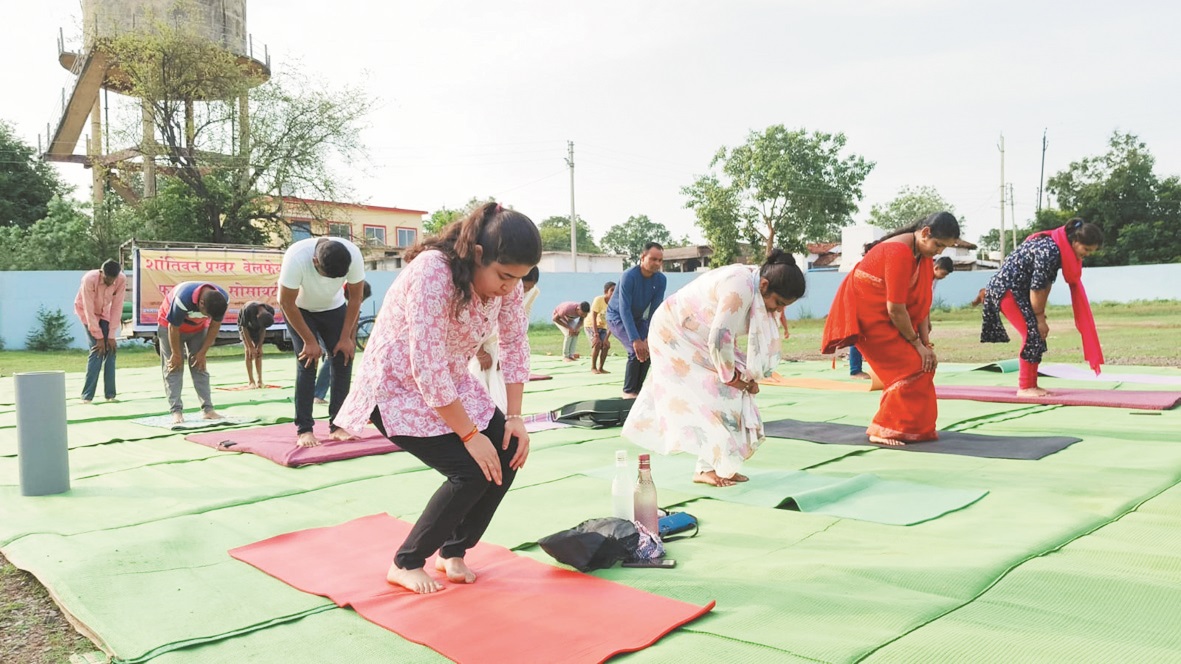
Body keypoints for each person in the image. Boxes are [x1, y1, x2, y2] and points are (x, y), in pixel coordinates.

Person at [335, 202, 541, 594]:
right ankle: (406, 562)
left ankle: (453, 551)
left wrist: (515, 417)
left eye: (519, 278)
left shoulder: (507, 283)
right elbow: (424, 364)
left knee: (507, 455)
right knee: (470, 471)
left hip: (451, 381)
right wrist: (468, 435)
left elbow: (515, 343)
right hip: (396, 389)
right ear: (478, 254)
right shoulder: (433, 271)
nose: (510, 287)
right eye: (503, 276)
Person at [623, 250, 805, 487]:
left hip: (699, 333)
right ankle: (706, 469)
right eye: (778, 303)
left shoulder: (753, 284)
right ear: (764, 285)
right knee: (719, 393)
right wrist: (731, 377)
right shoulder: (740, 287)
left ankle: (720, 466)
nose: (777, 311)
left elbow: (727, 338)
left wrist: (745, 376)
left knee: (731, 394)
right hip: (675, 332)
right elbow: (720, 338)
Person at [821, 212, 961, 446]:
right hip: (870, 317)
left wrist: (926, 345)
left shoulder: (922, 256)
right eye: (938, 245)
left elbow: (922, 304)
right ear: (925, 233)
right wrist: (917, 344)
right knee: (909, 367)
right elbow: (896, 308)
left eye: (944, 248)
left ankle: (912, 429)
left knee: (925, 364)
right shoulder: (898, 252)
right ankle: (883, 428)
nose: (939, 253)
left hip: (892, 317)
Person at [980, 218, 1104, 397]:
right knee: (1032, 333)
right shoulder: (1050, 250)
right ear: (1075, 242)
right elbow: (1037, 287)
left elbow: (1045, 284)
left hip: (1017, 290)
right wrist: (1038, 318)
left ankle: (1031, 384)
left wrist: (1041, 317)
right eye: (1086, 250)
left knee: (1035, 334)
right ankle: (1025, 387)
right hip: (1006, 290)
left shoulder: (1057, 247)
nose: (1087, 255)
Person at [278, 236, 366, 447]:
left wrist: (346, 338)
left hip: (333, 309)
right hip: (298, 309)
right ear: (315, 262)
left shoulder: (353, 255)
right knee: (308, 361)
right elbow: (286, 302)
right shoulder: (297, 257)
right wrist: (309, 341)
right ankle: (305, 429)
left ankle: (338, 426)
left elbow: (354, 299)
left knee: (343, 357)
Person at [849, 255, 953, 381]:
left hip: (901, 311)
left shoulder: (931, 280)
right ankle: (855, 370)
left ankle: (893, 369)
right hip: (877, 306)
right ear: (936, 268)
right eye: (944, 273)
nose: (944, 277)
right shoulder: (914, 272)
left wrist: (926, 321)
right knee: (863, 335)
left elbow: (924, 301)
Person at [157, 281, 229, 423]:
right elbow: (173, 327)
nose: (208, 317)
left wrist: (202, 352)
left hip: (197, 329)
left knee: (199, 365)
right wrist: (176, 354)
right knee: (174, 366)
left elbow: (214, 326)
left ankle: (208, 410)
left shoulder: (222, 299)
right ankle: (176, 411)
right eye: (207, 314)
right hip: (169, 327)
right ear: (201, 303)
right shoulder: (182, 298)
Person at [606, 242, 666, 398]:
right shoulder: (629, 276)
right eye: (653, 259)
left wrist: (647, 338)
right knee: (635, 350)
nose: (657, 264)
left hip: (638, 319)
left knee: (649, 349)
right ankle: (628, 392)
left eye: (660, 260)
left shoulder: (661, 280)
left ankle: (638, 391)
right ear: (642, 257)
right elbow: (624, 309)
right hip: (617, 317)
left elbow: (655, 311)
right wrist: (636, 339)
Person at [74, 259, 126, 404]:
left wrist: (111, 335)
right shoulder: (89, 279)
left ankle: (110, 395)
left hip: (105, 313)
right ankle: (87, 396)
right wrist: (98, 337)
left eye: (113, 279)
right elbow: (88, 309)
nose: (110, 282)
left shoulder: (121, 279)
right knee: (98, 351)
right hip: (86, 312)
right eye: (107, 279)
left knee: (111, 349)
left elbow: (117, 307)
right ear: (101, 272)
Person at [314, 280, 373, 404]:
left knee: (333, 357)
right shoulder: (336, 292)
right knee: (332, 357)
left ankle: (332, 396)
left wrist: (351, 339)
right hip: (324, 324)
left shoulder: (355, 295)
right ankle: (318, 394)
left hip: (340, 332)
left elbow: (355, 319)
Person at [238, 301, 276, 389]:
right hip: (245, 327)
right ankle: (251, 381)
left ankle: (260, 381)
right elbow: (244, 328)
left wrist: (259, 346)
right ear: (257, 316)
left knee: (258, 353)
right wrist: (250, 347)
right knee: (249, 352)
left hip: (257, 329)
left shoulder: (270, 310)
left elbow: (263, 329)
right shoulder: (248, 310)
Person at [587, 281, 615, 374]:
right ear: (606, 292)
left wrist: (606, 338)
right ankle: (593, 367)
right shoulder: (598, 299)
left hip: (603, 327)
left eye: (616, 291)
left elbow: (612, 322)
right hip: (591, 325)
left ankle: (601, 368)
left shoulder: (615, 304)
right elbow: (593, 317)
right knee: (597, 344)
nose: (614, 293)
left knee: (606, 345)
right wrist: (596, 335)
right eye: (612, 290)